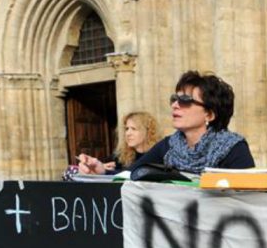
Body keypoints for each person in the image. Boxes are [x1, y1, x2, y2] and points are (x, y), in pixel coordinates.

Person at [79, 71, 254, 174]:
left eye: (185, 100)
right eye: (174, 99)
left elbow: (249, 199)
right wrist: (101, 170)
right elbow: (132, 175)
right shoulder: (168, 146)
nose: (175, 105)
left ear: (209, 114)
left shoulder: (234, 149)